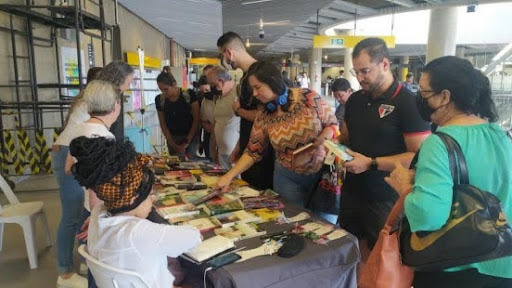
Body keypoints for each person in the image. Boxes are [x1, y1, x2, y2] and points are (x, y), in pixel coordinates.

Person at [386, 56, 512, 288]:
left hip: (457, 269)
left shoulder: (440, 142)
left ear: (444, 96)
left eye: (424, 94)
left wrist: (405, 187)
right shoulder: (502, 136)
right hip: (503, 264)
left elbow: (428, 216)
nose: (420, 99)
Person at [69, 136, 202, 288]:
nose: (152, 200)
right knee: (205, 278)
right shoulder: (138, 232)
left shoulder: (97, 213)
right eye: (150, 195)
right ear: (133, 199)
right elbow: (194, 237)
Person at [337, 37, 431, 249]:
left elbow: (418, 157)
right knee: (352, 249)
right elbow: (346, 138)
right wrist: (333, 146)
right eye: (356, 72)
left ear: (385, 65)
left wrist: (371, 163)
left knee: (383, 258)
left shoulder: (409, 103)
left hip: (386, 197)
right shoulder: (355, 100)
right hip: (352, 191)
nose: (360, 78)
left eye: (365, 71)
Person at [52, 62, 134, 288]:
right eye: (128, 83)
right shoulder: (100, 103)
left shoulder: (96, 99)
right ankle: (64, 272)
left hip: (72, 150)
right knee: (73, 214)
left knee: (83, 212)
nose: (128, 88)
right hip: (71, 150)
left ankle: (85, 257)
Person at [216, 62, 338, 208]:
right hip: (288, 178)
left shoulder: (308, 97)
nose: (254, 94)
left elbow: (332, 124)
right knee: (291, 221)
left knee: (323, 226)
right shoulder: (264, 115)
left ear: (273, 82)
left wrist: (322, 138)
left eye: (257, 87)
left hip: (322, 176)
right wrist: (229, 176)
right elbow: (252, 152)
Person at [217, 31, 274, 189]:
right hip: (248, 149)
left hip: (262, 155)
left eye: (222, 55)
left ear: (229, 52)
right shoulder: (245, 77)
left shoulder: (260, 75)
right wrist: (239, 145)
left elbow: (265, 117)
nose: (224, 61)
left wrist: (238, 110)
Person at [155, 69, 200, 156]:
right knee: (175, 165)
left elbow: (196, 119)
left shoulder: (189, 95)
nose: (164, 93)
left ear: (174, 84)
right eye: (161, 90)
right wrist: (172, 143)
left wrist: (186, 142)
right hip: (172, 138)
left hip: (190, 136)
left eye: (166, 89)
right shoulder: (160, 99)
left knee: (190, 164)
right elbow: (162, 123)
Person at [207, 66, 240, 169]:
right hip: (222, 152)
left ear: (221, 81)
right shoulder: (218, 96)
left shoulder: (238, 93)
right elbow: (218, 123)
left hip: (235, 153)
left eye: (212, 84)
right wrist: (215, 149)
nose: (211, 87)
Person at [198, 75, 215, 159]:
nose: (205, 93)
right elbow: (202, 120)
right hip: (209, 133)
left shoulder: (221, 99)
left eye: (207, 90)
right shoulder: (205, 100)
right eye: (202, 91)